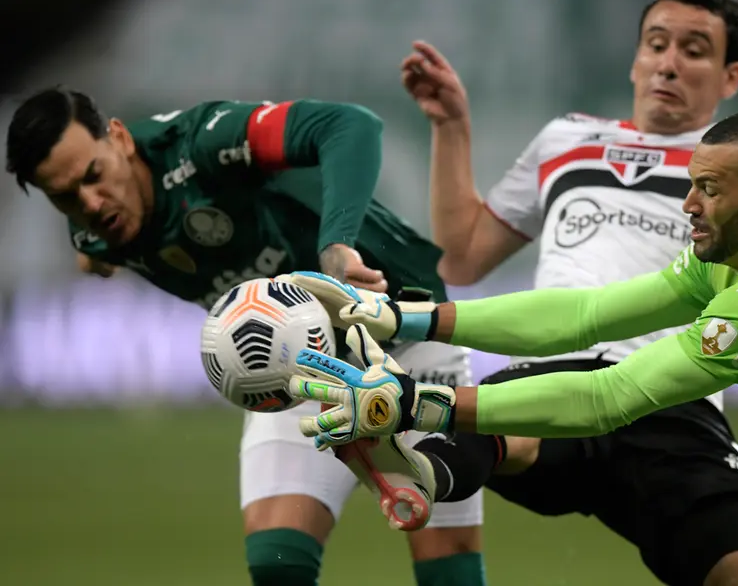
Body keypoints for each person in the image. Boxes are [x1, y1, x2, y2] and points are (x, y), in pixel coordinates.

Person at [337, 0, 738, 584]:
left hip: (673, 392)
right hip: (555, 365)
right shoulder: (565, 140)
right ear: (635, 60)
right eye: (656, 43)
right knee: (510, 433)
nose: (669, 63)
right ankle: (421, 470)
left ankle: (418, 448)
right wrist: (451, 128)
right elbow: (463, 255)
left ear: (731, 77)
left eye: (694, 50)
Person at [286, 106, 738, 586]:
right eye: (691, 184)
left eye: (708, 189)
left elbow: (611, 397)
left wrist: (415, 401)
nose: (687, 205)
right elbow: (587, 316)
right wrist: (408, 320)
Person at [4, 88, 488, 586]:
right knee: (277, 563)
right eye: (64, 196)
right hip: (298, 366)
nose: (89, 201)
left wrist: (336, 243)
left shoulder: (202, 145)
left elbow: (351, 124)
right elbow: (92, 244)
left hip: (404, 327)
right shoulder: (94, 227)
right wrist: (95, 256)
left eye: (93, 175)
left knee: (445, 567)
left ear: (121, 139)